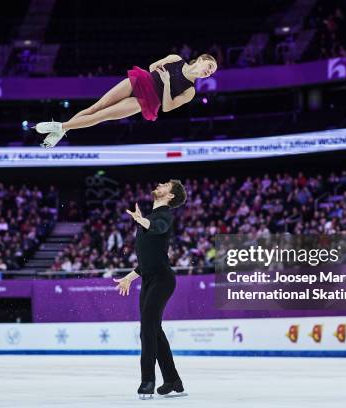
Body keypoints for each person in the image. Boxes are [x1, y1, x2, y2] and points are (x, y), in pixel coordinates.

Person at [36, 54, 218, 147]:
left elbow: (168, 107)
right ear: (201, 59)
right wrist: (158, 74)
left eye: (211, 72)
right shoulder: (176, 58)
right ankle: (62, 129)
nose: (208, 72)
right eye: (209, 67)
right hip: (140, 81)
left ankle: (60, 127)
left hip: (147, 100)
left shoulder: (190, 91)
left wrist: (167, 83)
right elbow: (152, 66)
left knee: (102, 115)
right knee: (96, 107)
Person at [113, 180, 188, 399]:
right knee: (154, 330)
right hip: (149, 278)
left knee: (147, 328)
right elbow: (146, 261)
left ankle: (148, 380)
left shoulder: (164, 216)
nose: (159, 184)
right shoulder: (148, 218)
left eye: (165, 185)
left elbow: (159, 227)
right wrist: (129, 277)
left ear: (170, 196)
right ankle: (173, 381)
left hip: (163, 279)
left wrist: (141, 221)